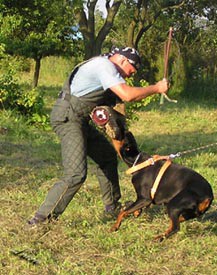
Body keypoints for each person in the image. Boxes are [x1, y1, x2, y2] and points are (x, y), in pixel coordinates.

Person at [27, 47, 169, 228]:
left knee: (107, 157)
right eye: (131, 71)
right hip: (68, 118)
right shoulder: (104, 66)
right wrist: (156, 88)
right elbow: (128, 94)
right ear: (123, 60)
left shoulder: (107, 71)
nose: (129, 76)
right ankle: (40, 220)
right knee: (76, 174)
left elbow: (116, 124)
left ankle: (112, 207)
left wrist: (134, 161)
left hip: (80, 120)